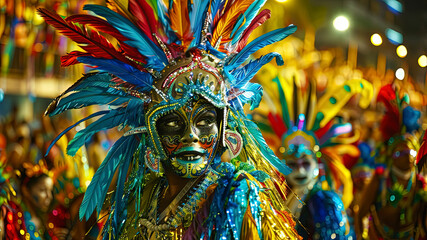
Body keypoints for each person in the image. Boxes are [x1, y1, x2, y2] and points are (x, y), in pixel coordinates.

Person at [39, 0, 301, 239]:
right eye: (173, 123)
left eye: (204, 120)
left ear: (227, 136)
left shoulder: (236, 196)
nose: (191, 135)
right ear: (152, 139)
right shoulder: (141, 198)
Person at [253, 65, 373, 239]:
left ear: (317, 162)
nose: (300, 170)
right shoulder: (271, 197)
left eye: (305, 163)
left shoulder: (325, 202)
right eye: (292, 164)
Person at [355, 84, 427, 239]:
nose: (407, 156)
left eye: (411, 152)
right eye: (400, 152)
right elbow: (361, 214)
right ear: (391, 156)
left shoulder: (420, 184)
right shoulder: (380, 180)